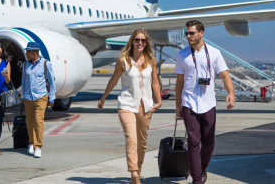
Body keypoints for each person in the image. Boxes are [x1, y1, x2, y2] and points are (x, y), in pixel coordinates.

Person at [98, 29, 163, 184]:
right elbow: (113, 80)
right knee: (131, 138)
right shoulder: (123, 60)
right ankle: (133, 172)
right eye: (137, 40)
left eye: (143, 40)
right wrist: (103, 98)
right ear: (132, 41)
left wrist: (159, 101)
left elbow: (154, 81)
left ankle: (137, 174)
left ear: (146, 43)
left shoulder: (151, 60)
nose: (140, 43)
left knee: (142, 142)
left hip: (146, 106)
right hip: (127, 104)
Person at [175, 20, 235, 184]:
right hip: (189, 103)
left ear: (201, 33)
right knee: (194, 142)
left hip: (208, 103)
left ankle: (201, 168)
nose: (188, 36)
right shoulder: (182, 54)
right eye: (186, 33)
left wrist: (231, 93)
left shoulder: (214, 53)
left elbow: (224, 75)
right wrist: (178, 105)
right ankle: (197, 179)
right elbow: (179, 82)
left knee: (209, 143)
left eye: (191, 33)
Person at [20, 42, 55, 158]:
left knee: (38, 121)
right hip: (28, 97)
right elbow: (24, 82)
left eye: (28, 52)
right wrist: (24, 96)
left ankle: (38, 146)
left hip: (41, 96)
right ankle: (31, 143)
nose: (26, 54)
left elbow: (52, 82)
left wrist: (52, 97)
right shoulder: (25, 65)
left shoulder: (46, 64)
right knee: (29, 122)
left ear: (35, 52)